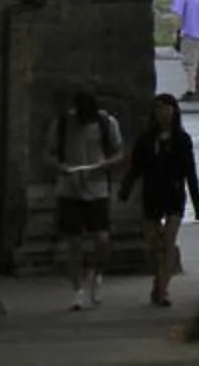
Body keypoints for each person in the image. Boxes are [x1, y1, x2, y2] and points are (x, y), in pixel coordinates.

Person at [117, 92, 199, 309]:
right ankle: (159, 280)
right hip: (152, 194)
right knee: (154, 245)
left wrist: (198, 205)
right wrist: (125, 190)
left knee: (168, 242)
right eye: (159, 108)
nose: (163, 113)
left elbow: (190, 172)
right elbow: (135, 167)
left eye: (167, 108)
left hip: (174, 194)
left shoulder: (183, 140)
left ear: (174, 112)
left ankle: (164, 289)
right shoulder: (147, 140)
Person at [46, 91, 125, 312]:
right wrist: (61, 168)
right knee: (74, 242)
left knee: (102, 238)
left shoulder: (106, 123)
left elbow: (119, 153)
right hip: (69, 189)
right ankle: (77, 290)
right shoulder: (61, 125)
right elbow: (49, 155)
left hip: (97, 188)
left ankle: (97, 273)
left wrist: (102, 166)